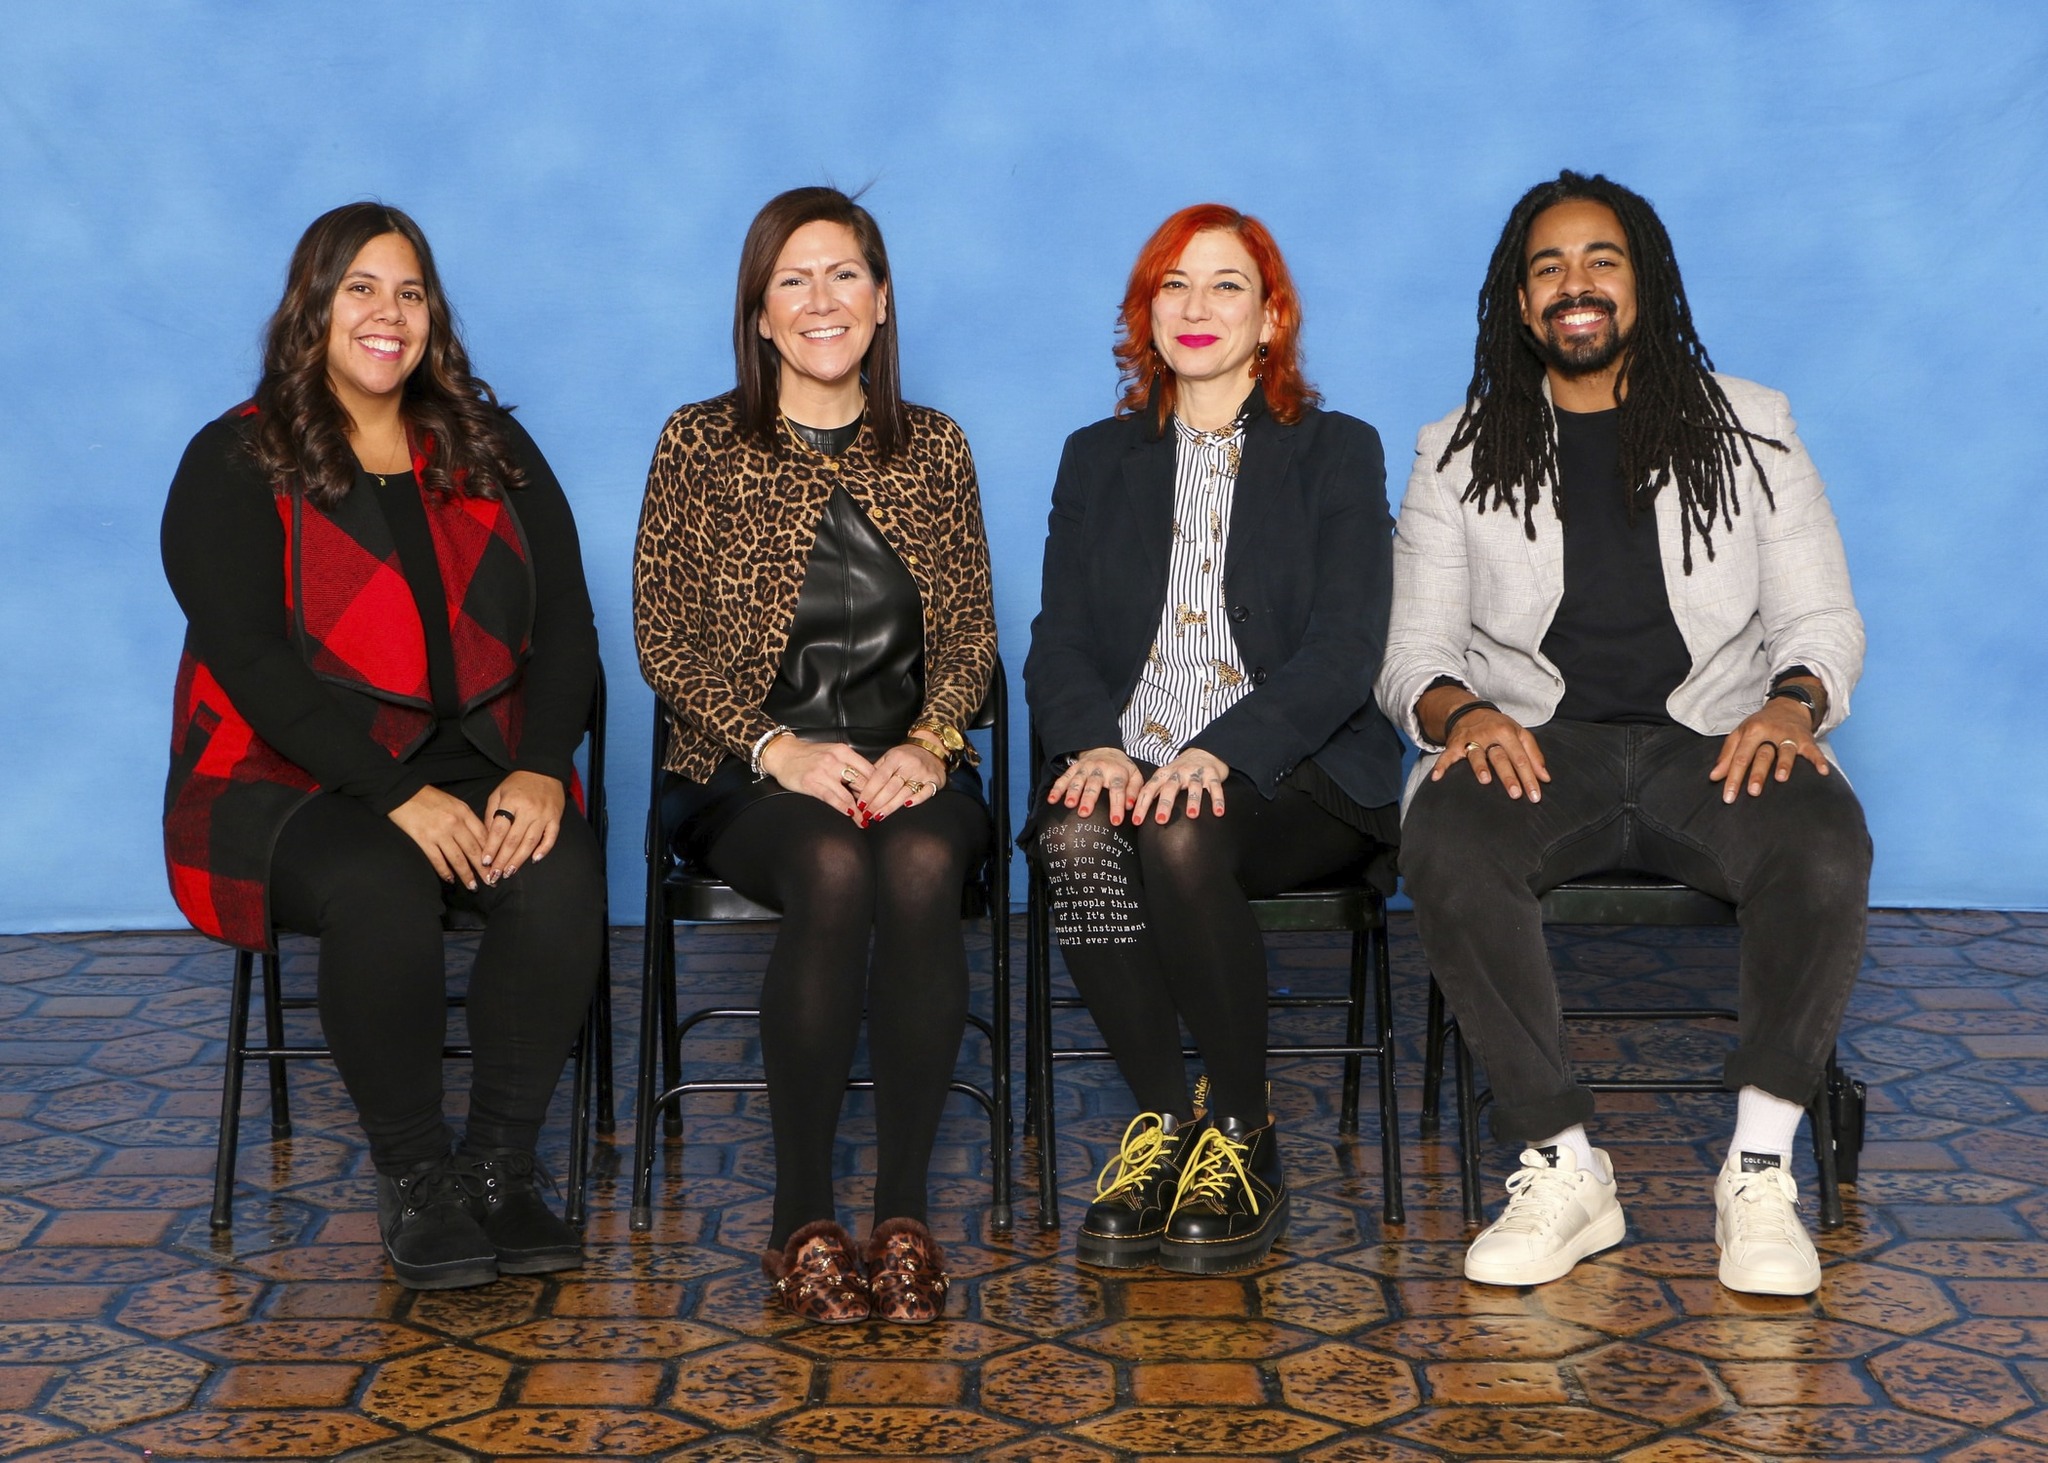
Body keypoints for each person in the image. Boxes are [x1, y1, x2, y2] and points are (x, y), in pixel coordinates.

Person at [1378, 171, 1871, 1296]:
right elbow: (1410, 658)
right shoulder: (1451, 451)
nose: (1574, 284)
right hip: (1539, 747)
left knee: (1822, 843)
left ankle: (1755, 1171)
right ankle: (1561, 1167)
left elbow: (1819, 615)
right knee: (1447, 843)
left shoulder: (1753, 425)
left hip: (1717, 738)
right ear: (1517, 305)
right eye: (1545, 267)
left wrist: (1792, 701)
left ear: (1641, 283)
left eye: (1599, 259)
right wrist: (1464, 714)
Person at [162, 203, 604, 1290]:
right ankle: (416, 1175)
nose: (387, 313)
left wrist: (541, 766)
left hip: (478, 753)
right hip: (283, 771)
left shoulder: (490, 445)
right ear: (311, 309)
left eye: (409, 292)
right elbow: (258, 669)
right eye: (359, 287)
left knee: (560, 875)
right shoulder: (234, 457)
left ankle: (499, 1167)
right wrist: (398, 796)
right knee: (379, 883)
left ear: (432, 317)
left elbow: (570, 628)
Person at [633, 186, 996, 1325]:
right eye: (791, 278)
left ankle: (899, 1219)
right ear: (758, 312)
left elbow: (975, 631)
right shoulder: (698, 440)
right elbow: (660, 629)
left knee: (920, 864)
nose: (820, 299)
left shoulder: (933, 447)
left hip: (910, 762)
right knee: (835, 864)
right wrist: (775, 746)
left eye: (842, 274)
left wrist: (932, 744)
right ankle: (800, 1218)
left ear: (881, 303)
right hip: (741, 773)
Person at [1024, 204, 1402, 1274]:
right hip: (1128, 754)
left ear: (1271, 316)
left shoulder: (1335, 450)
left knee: (1184, 827)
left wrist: (1220, 751)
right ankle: (1162, 1122)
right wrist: (1093, 745)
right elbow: (1056, 637)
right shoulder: (1095, 458)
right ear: (1145, 314)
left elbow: (1344, 647)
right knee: (1073, 837)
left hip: (1295, 774)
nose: (1197, 307)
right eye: (1171, 285)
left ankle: (1240, 1127)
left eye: (1226, 284)